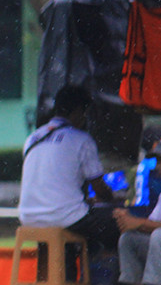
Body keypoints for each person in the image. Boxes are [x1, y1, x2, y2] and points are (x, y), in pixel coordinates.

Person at [18, 85, 119, 257]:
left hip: (28, 217)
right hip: (64, 218)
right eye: (85, 113)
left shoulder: (33, 138)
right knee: (118, 224)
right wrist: (112, 199)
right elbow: (100, 188)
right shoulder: (81, 139)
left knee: (73, 234)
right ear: (79, 111)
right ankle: (108, 274)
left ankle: (65, 273)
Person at [101, 139, 161, 285]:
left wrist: (138, 222)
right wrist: (128, 220)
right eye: (159, 161)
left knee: (160, 236)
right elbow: (152, 223)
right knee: (129, 238)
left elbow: (157, 229)